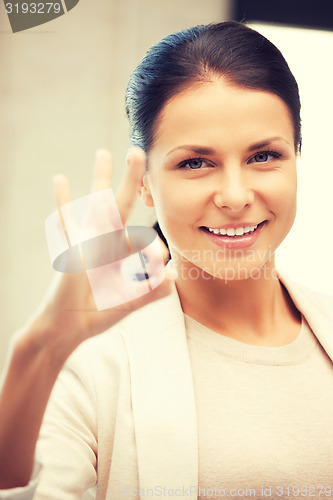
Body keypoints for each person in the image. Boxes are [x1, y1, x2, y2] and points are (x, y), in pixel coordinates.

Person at [1, 20, 333, 500]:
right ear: (144, 183)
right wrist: (39, 346)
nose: (236, 196)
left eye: (264, 156)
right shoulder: (92, 363)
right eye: (195, 163)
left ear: (296, 158)